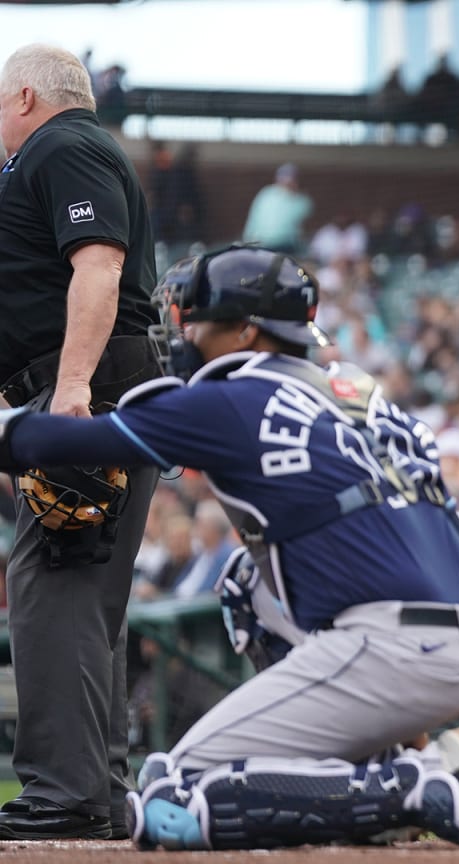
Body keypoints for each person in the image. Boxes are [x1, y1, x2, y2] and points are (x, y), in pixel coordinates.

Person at [0, 244, 459, 850]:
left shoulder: (232, 398)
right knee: (247, 580)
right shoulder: (359, 390)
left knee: (173, 794)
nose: (184, 332)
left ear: (247, 330)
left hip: (394, 647)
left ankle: (413, 787)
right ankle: (406, 758)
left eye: (198, 319)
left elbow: (58, 440)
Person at [0, 44, 164, 841]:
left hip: (90, 382)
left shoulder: (65, 142)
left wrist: (69, 394)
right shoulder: (61, 151)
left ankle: (66, 795)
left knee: (54, 582)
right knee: (79, 588)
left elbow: (98, 266)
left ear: (25, 96)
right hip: (81, 382)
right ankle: (95, 791)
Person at [241, 163, 312, 253]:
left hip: (286, 245)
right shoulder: (267, 193)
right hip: (262, 243)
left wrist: (291, 194)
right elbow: (254, 219)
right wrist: (248, 241)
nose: (286, 183)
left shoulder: (301, 200)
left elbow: (300, 214)